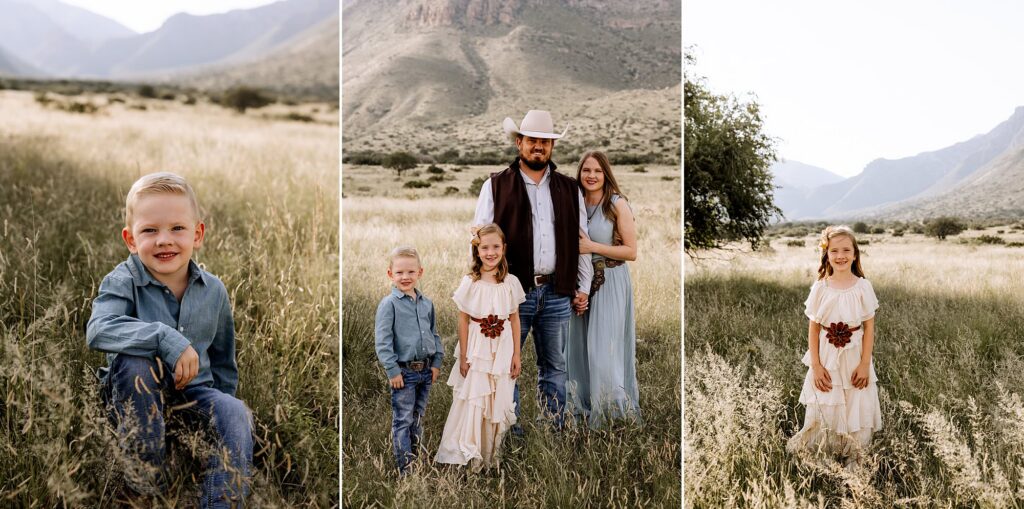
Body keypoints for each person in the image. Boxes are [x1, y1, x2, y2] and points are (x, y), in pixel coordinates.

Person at [86, 172, 252, 507]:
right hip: (133, 399)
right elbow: (99, 329)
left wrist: (217, 419)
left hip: (194, 396)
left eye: (177, 228)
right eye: (149, 230)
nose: (164, 240)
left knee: (236, 412)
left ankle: (220, 499)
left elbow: (223, 359)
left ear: (198, 234)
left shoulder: (214, 290)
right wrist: (164, 338)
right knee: (134, 361)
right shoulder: (123, 281)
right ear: (131, 240)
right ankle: (145, 482)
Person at [473, 109, 592, 432]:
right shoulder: (496, 185)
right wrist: (487, 289)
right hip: (512, 292)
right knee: (507, 366)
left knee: (554, 366)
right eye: (532, 141)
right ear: (519, 143)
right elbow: (481, 239)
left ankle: (552, 430)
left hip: (557, 291)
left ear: (552, 147)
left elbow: (581, 241)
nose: (538, 147)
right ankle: (512, 434)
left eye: (545, 142)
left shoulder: (569, 188)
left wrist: (583, 286)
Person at [787, 225, 881, 463]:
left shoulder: (863, 286)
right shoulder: (821, 287)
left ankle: (854, 457)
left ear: (855, 253)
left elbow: (869, 327)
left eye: (846, 250)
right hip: (827, 355)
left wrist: (864, 364)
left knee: (856, 400)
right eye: (834, 251)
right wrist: (816, 366)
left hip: (855, 354)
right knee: (826, 402)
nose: (840, 256)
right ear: (826, 254)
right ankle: (822, 457)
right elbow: (814, 327)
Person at [435, 224, 524, 468]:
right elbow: (463, 320)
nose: (490, 252)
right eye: (485, 247)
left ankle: (490, 456)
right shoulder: (470, 282)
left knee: (498, 397)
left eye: (496, 247)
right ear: (477, 250)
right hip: (477, 347)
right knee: (475, 397)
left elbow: (515, 318)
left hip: (503, 347)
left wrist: (517, 354)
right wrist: (463, 356)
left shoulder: (511, 282)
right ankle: (467, 453)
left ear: (504, 249)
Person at [565, 151, 641, 428]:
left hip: (610, 279)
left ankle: (611, 416)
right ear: (580, 173)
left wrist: (592, 247)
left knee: (603, 351)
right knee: (577, 349)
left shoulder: (617, 205)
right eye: (586, 170)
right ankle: (581, 411)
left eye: (597, 171)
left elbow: (631, 252)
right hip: (580, 283)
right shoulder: (576, 202)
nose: (591, 176)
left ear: (605, 174)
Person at [374, 246, 444, 476]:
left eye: (410, 272)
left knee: (417, 417)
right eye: (400, 273)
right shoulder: (389, 305)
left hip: (425, 370)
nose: (405, 277)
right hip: (403, 373)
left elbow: (434, 333)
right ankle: (406, 468)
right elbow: (383, 342)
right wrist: (393, 371)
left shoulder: (426, 303)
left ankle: (417, 459)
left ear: (420, 272)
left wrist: (436, 362)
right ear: (390, 274)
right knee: (403, 419)